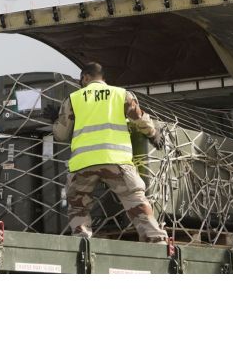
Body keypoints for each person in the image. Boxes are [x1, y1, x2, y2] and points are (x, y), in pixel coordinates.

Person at [53, 62, 168, 243]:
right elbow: (140, 119)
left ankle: (82, 243)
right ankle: (156, 240)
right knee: (135, 200)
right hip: (116, 160)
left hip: (83, 164)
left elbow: (60, 135)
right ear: (103, 78)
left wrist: (56, 119)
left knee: (77, 206)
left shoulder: (73, 98)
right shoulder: (120, 94)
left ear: (85, 77)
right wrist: (154, 134)